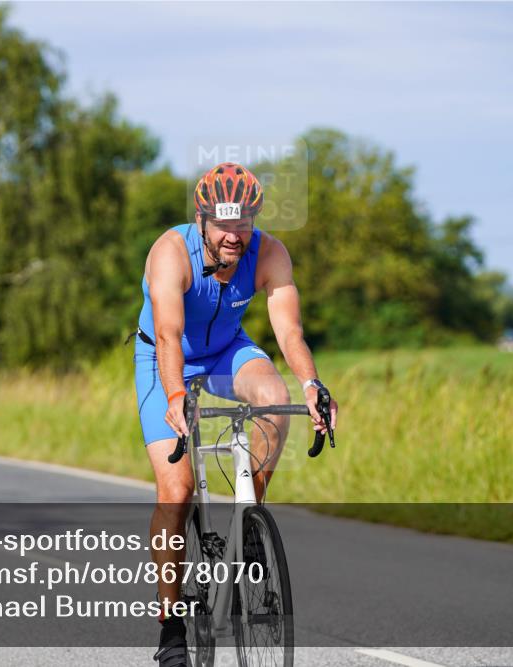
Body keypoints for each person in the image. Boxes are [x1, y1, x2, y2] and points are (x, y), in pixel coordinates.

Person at [133, 162, 338, 666]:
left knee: (274, 399)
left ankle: (249, 520)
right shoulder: (170, 252)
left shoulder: (269, 252)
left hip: (228, 351)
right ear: (202, 220)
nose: (234, 235)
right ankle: (171, 626)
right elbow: (167, 335)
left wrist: (312, 385)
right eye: (224, 225)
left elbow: (288, 332)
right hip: (166, 360)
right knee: (177, 492)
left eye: (243, 223)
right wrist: (177, 394)